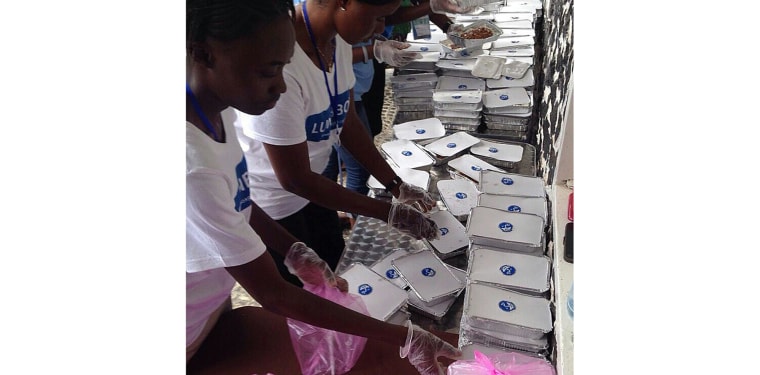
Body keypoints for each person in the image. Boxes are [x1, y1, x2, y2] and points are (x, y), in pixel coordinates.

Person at [186, 0, 461, 373]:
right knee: (363, 356)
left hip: (209, 307)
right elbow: (274, 293)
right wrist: (403, 337)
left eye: (283, 68)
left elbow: (240, 201)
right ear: (204, 54)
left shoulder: (214, 113)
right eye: (269, 71)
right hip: (188, 330)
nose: (281, 86)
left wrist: (292, 249)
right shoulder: (192, 165)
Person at [233, 0, 442, 287]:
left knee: (338, 270)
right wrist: (386, 212)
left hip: (316, 188)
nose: (380, 29)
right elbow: (293, 179)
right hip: (275, 208)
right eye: (377, 17)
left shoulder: (336, 41)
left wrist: (396, 185)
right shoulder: (278, 61)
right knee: (307, 294)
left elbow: (347, 120)